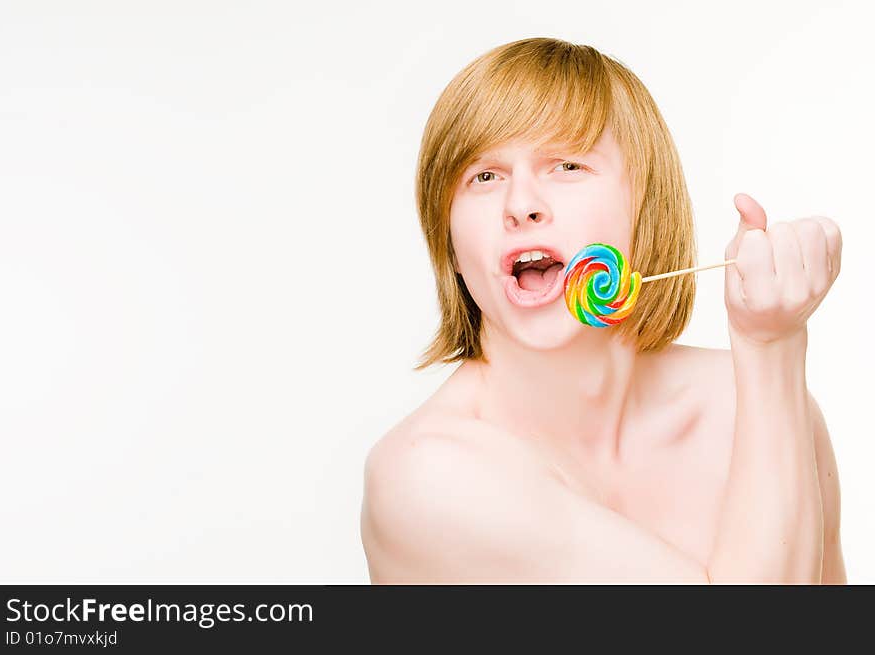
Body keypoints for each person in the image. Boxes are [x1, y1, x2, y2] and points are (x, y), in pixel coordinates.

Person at [359, 37, 846, 583]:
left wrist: (770, 361)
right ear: (447, 236)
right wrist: (772, 347)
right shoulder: (425, 474)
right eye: (485, 176)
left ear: (646, 206)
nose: (521, 205)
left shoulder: (757, 410)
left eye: (567, 164)